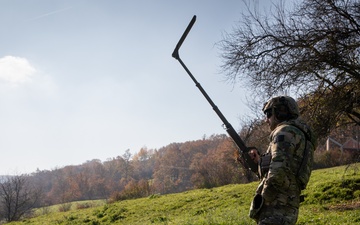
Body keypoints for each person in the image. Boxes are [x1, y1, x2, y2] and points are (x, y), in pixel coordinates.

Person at [249, 96, 317, 225]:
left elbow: (278, 171)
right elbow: (286, 168)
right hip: (288, 204)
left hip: (276, 207)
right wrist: (259, 163)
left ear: (280, 112)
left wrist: (263, 197)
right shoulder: (300, 134)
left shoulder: (284, 132)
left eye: (269, 113)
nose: (266, 119)